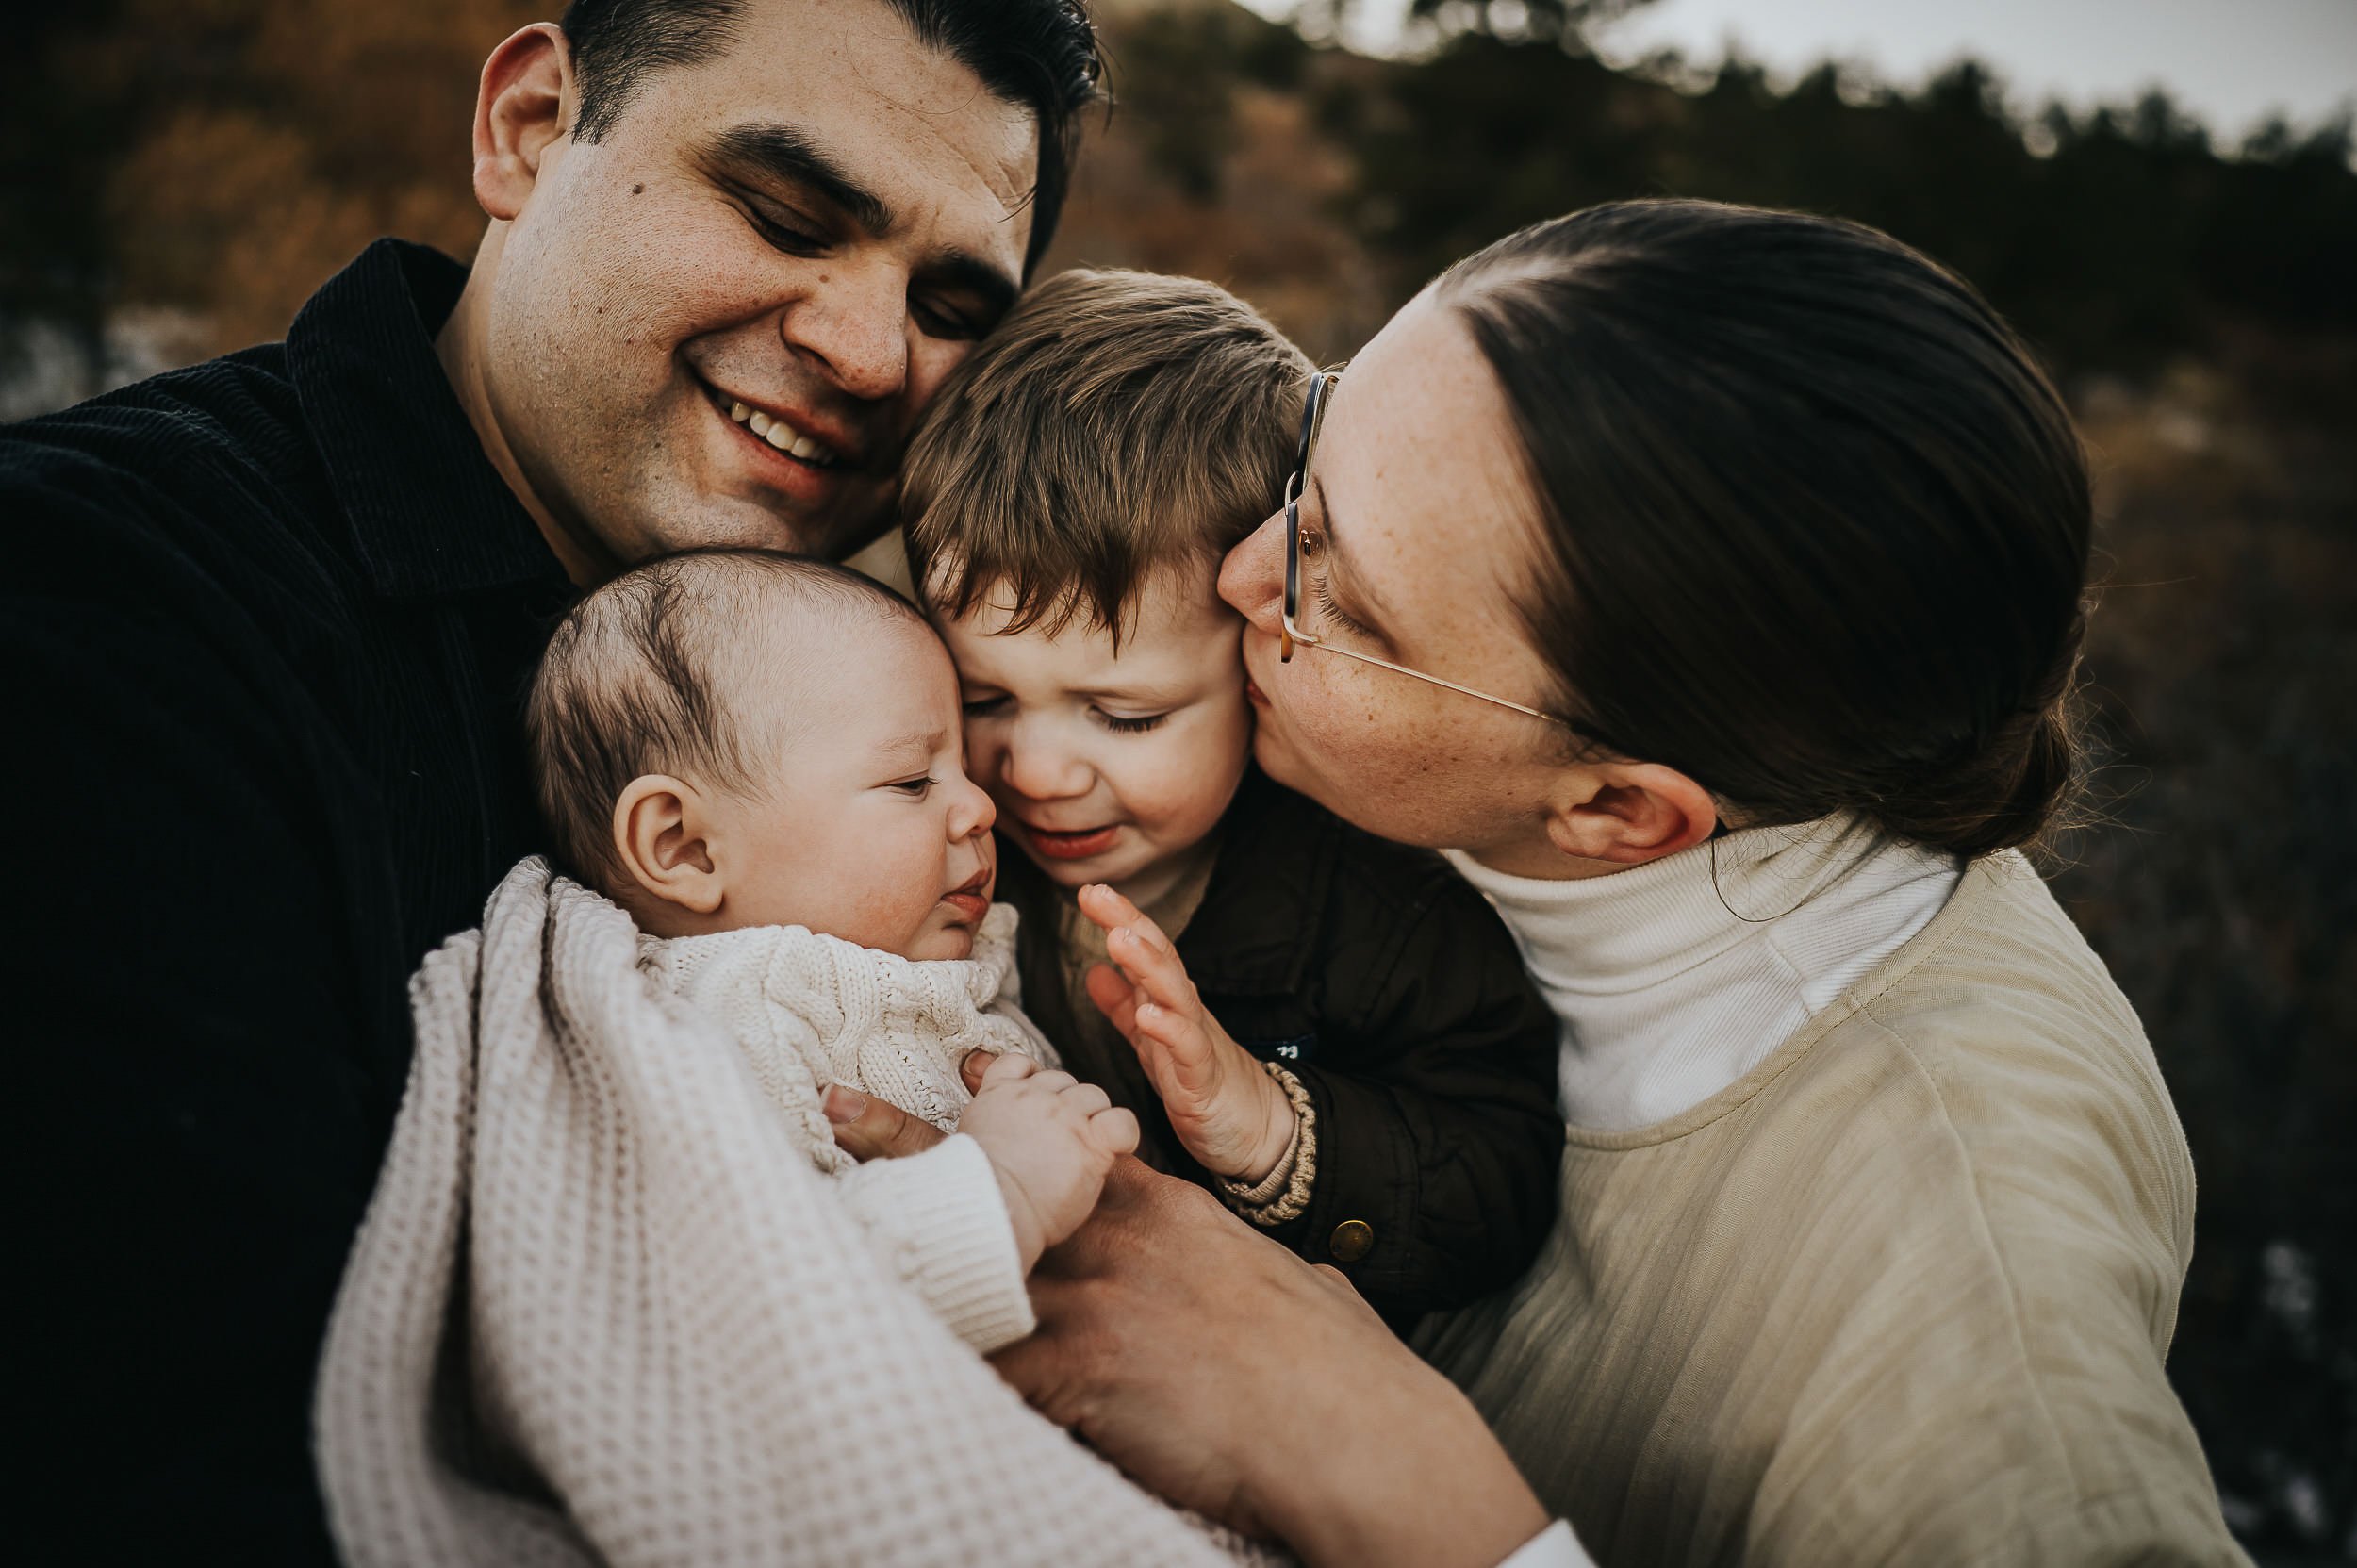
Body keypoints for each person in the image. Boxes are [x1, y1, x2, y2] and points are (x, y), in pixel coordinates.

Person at [832, 200, 2250, 1565]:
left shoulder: (1961, 1266)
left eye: (1341, 587)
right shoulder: (1451, 641)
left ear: (1620, 809)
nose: (1247, 566)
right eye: (1316, 458)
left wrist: (1364, 1450)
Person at [5, 0, 1099, 1555]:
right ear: (526, 126)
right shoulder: (111, 610)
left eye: (949, 301)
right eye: (786, 212)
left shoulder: (968, 713)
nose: (868, 350)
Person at [898, 267, 1563, 1324]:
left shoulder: (1377, 909)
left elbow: (1500, 1181)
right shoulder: (929, 840)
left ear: (1261, 657)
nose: (1033, 771)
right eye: (983, 695)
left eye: (1124, 717)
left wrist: (1270, 1128)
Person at [527, 548, 1136, 1349]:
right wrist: (1003, 1191)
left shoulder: (934, 957)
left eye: (961, 766)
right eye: (914, 781)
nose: (982, 804)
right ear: (685, 847)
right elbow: (757, 1307)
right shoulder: (729, 1030)